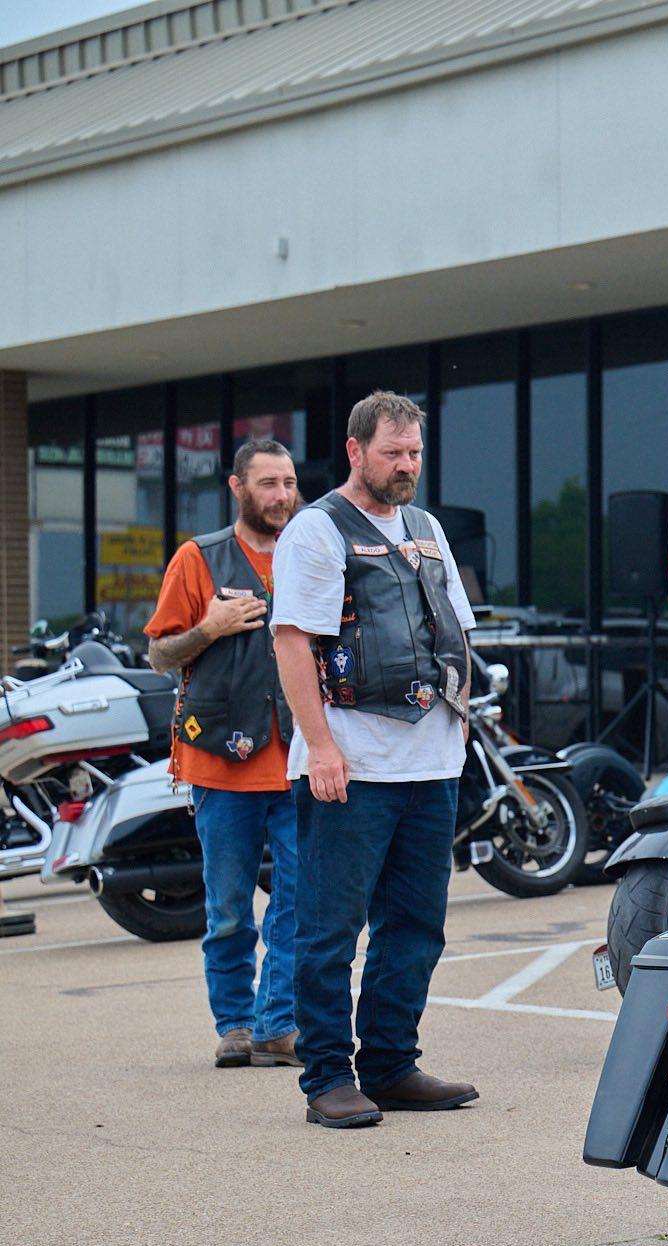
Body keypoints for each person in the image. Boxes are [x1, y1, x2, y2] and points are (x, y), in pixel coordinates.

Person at [272, 391, 480, 1130]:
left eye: (415, 452)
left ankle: (391, 1064)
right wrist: (321, 747)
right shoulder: (317, 530)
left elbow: (457, 628)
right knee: (329, 929)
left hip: (431, 764)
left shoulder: (426, 529)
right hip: (351, 764)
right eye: (393, 452)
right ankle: (328, 1076)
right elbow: (292, 640)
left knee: (417, 926)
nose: (407, 466)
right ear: (356, 451)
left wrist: (464, 723)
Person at [144, 438, 303, 1069]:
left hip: (297, 759)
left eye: (289, 483)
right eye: (268, 484)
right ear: (238, 488)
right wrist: (208, 629)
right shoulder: (198, 558)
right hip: (220, 763)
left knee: (301, 896)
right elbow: (159, 655)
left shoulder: (310, 553)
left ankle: (277, 1020)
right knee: (230, 907)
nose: (282, 496)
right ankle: (235, 1024)